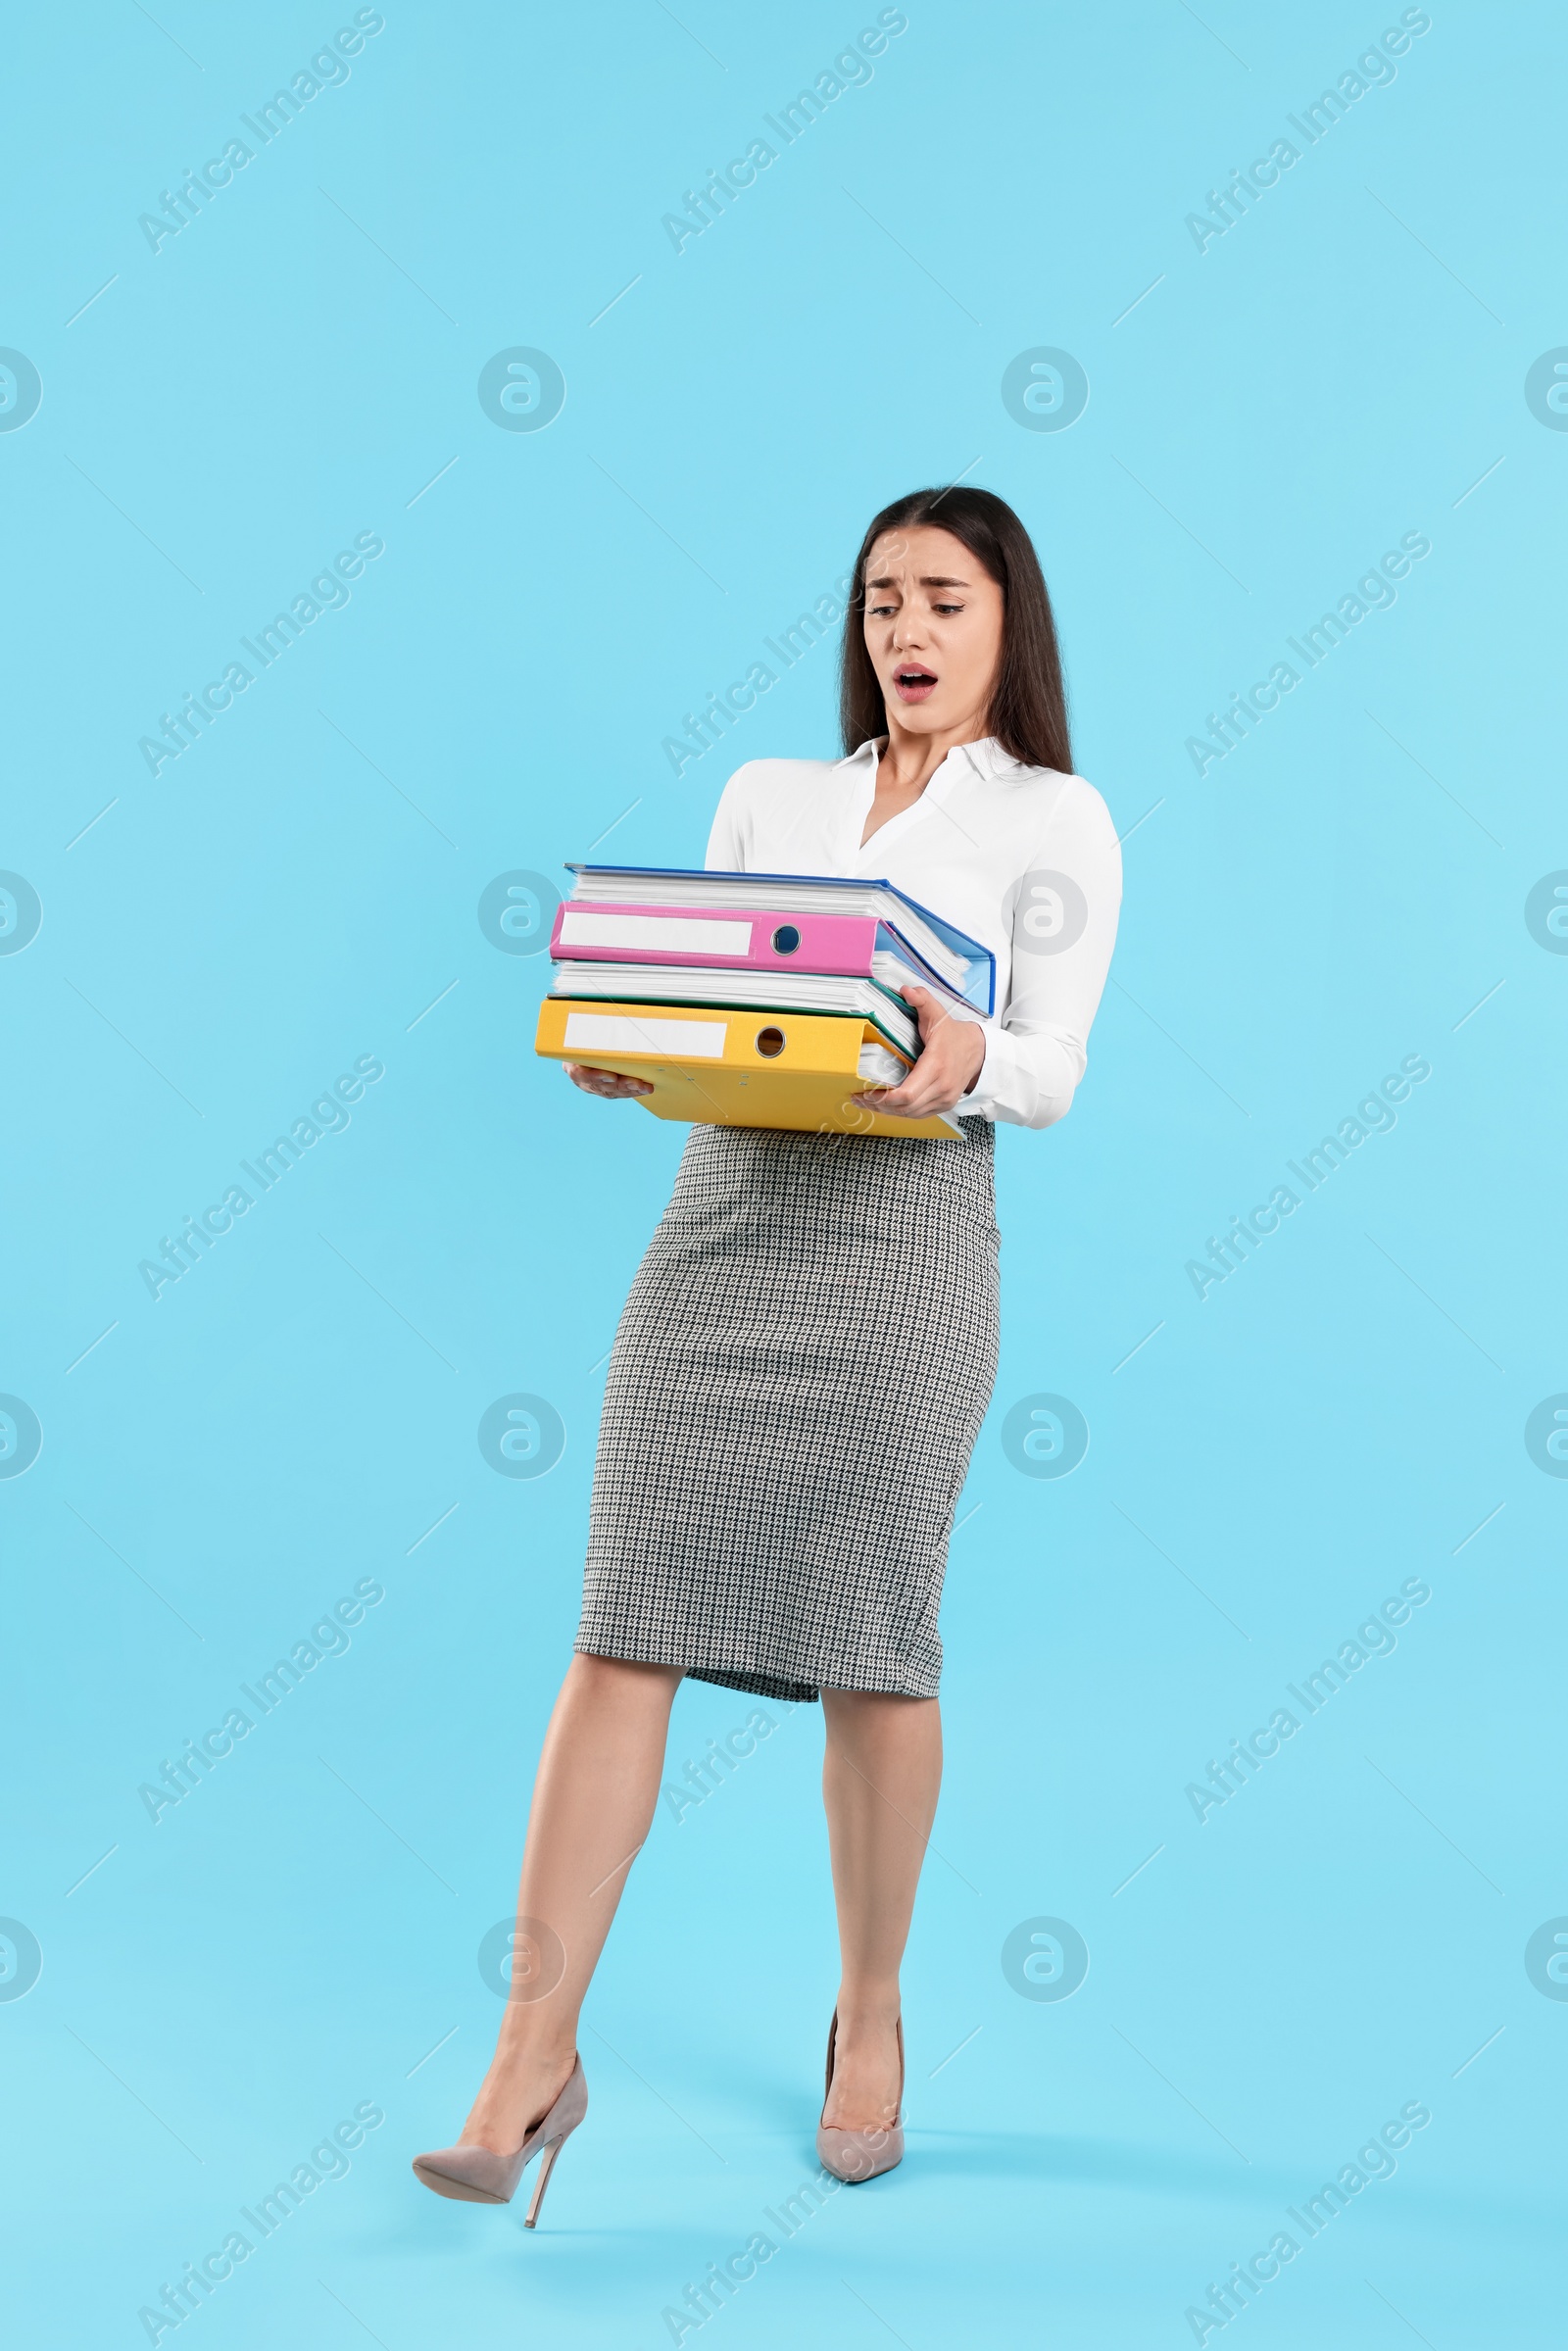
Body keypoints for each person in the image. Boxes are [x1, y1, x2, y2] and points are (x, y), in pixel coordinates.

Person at [413, 485, 1122, 2219]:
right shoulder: (769, 797)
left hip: (906, 1245)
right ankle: (528, 2057)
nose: (909, 632)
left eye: (947, 600)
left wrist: (971, 1053)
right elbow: (724, 1004)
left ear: (1007, 624)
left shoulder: (1059, 819)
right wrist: (630, 1049)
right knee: (622, 1621)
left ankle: (869, 2019)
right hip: (724, 1226)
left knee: (877, 1645)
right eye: (884, 600)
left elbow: (1054, 1066)